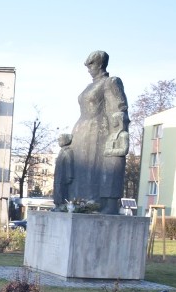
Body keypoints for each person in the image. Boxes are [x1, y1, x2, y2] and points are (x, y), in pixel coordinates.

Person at [67, 50, 129, 215]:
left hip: (97, 130)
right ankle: (79, 204)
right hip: (82, 131)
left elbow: (119, 108)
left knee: (93, 169)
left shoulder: (110, 82)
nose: (88, 68)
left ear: (100, 64)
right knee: (80, 169)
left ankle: (94, 204)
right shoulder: (89, 86)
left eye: (91, 64)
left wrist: (118, 132)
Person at [52, 133, 74, 208]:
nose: (58, 141)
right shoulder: (61, 151)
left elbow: (69, 163)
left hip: (63, 176)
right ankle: (57, 204)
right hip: (58, 176)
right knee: (57, 190)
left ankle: (62, 205)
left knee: (62, 191)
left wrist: (69, 176)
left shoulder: (68, 151)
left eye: (60, 139)